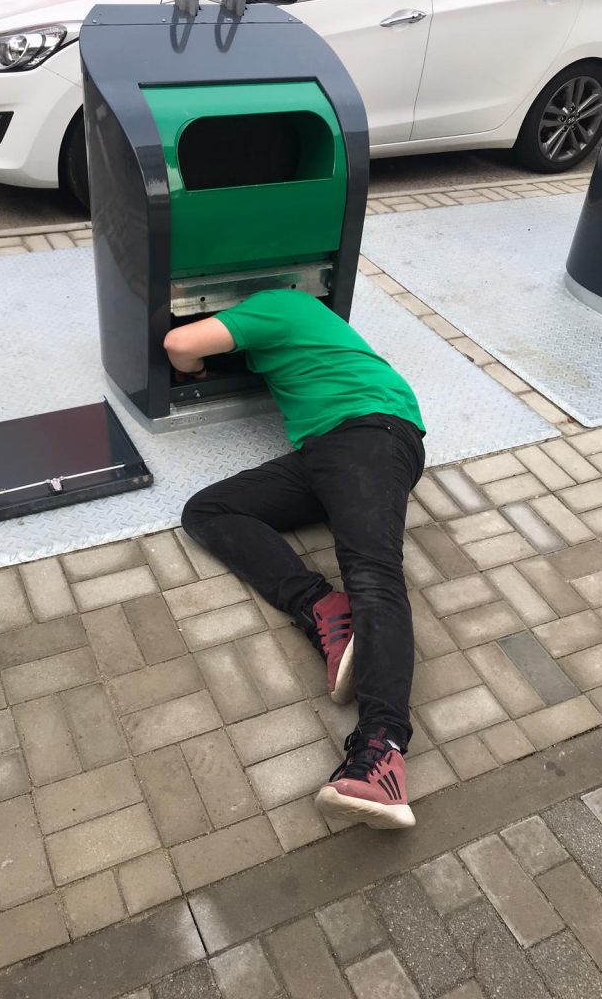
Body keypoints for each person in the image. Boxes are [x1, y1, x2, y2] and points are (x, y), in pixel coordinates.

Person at [164, 289, 425, 829]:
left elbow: (180, 342)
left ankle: (384, 749)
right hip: (325, 450)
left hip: (370, 433)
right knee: (209, 510)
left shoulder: (280, 304)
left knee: (373, 571)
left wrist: (191, 371)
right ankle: (324, 611)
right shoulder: (307, 326)